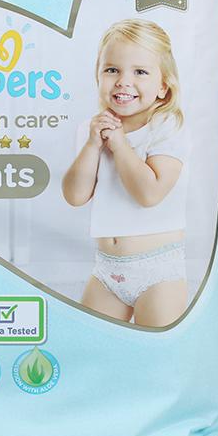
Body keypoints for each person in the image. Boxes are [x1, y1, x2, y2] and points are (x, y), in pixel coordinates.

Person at [62, 19, 189, 327]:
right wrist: (92, 145)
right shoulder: (93, 129)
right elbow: (75, 196)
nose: (123, 81)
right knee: (94, 343)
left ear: (163, 86)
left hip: (158, 270)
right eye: (112, 70)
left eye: (140, 72)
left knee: (154, 346)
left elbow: (149, 193)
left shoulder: (166, 127)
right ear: (98, 75)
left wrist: (119, 145)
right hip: (107, 269)